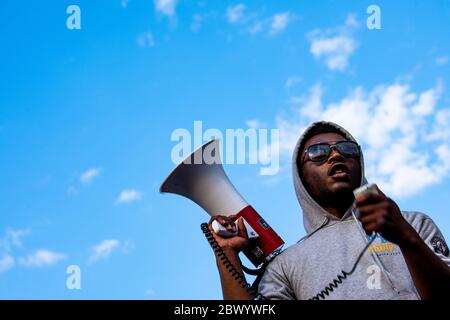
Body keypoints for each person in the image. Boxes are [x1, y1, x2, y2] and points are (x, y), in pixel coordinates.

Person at [208, 121, 450, 300]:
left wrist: (406, 238)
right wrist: (226, 254)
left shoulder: (414, 224)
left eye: (347, 149)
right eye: (318, 153)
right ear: (300, 175)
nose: (335, 154)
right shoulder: (285, 264)